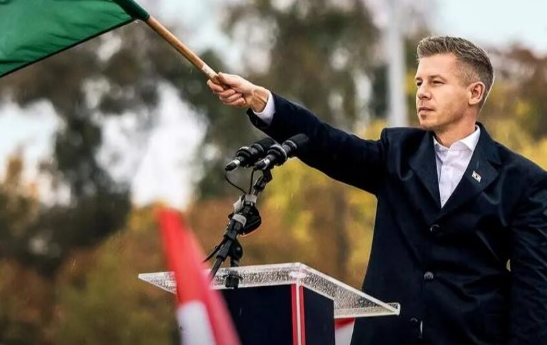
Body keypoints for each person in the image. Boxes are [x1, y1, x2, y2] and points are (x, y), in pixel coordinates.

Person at [208, 36, 546, 345]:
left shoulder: (524, 181)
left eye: (436, 82)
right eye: (419, 82)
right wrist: (262, 100)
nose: (422, 92)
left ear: (475, 93)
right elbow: (327, 143)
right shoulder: (395, 152)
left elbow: (533, 296)